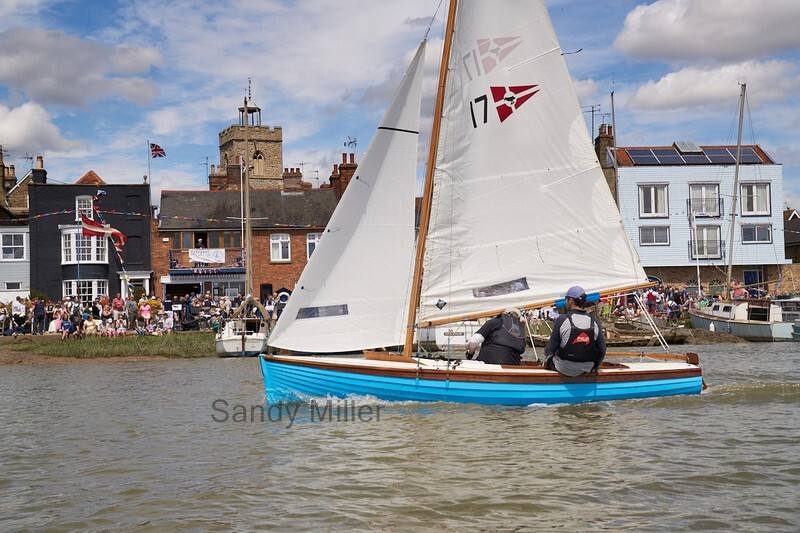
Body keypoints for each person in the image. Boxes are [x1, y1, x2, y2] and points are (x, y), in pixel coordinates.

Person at [544, 286, 606, 376]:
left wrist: (547, 353)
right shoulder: (594, 321)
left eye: (566, 299)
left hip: (564, 368)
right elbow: (602, 349)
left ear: (570, 301)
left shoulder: (562, 319)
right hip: (587, 368)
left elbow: (550, 350)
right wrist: (595, 367)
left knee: (548, 357)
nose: (565, 302)